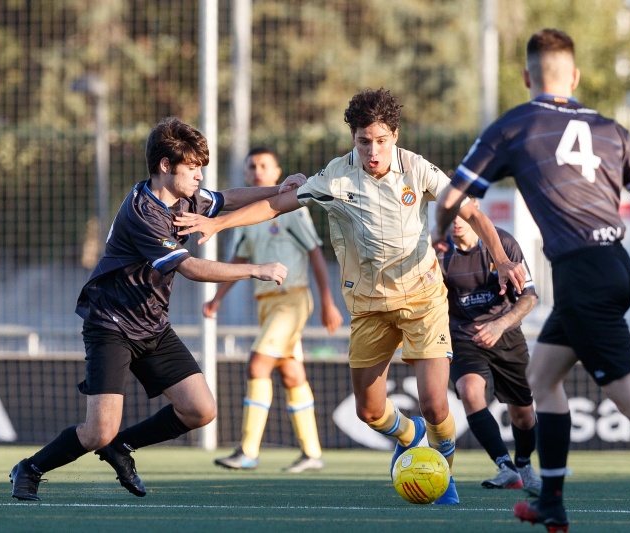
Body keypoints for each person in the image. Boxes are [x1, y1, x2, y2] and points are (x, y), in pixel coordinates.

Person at [175, 88, 527, 505]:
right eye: (364, 141)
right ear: (353, 139)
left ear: (394, 136)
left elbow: (472, 212)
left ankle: (441, 468)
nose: (372, 151)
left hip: (424, 299)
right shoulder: (336, 178)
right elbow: (276, 205)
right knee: (371, 413)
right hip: (370, 307)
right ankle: (410, 434)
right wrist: (219, 225)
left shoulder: (417, 169)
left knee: (436, 405)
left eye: (381, 141)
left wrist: (503, 260)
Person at [434, 28, 630, 532]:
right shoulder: (611, 129)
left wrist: (439, 234)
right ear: (576, 77)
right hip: (612, 266)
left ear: (527, 76)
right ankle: (553, 502)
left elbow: (451, 199)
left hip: (581, 276)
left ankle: (554, 502)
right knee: (543, 377)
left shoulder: (516, 125)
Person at [9, 117, 306, 501]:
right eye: (193, 168)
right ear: (166, 166)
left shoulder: (183, 198)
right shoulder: (143, 214)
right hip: (111, 325)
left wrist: (280, 189)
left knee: (200, 410)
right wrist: (255, 269)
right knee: (99, 430)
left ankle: (122, 448)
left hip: (151, 324)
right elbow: (191, 268)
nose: (200, 176)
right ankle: (29, 468)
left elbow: (227, 198)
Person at [207, 147, 344, 473]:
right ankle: (312, 453)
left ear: (276, 171)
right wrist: (217, 298)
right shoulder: (247, 218)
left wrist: (327, 301)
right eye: (251, 166)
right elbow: (238, 261)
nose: (257, 171)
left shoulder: (292, 209)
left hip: (292, 300)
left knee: (257, 365)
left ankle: (248, 451)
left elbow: (315, 253)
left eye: (263, 165)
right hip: (266, 306)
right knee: (291, 373)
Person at [435, 198, 541, 496]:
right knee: (470, 391)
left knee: (523, 413)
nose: (456, 219)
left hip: (505, 333)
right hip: (463, 336)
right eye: (449, 211)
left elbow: (529, 297)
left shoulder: (503, 243)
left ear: (475, 206)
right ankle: (506, 467)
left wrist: (499, 325)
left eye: (462, 209)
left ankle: (524, 465)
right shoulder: (438, 251)